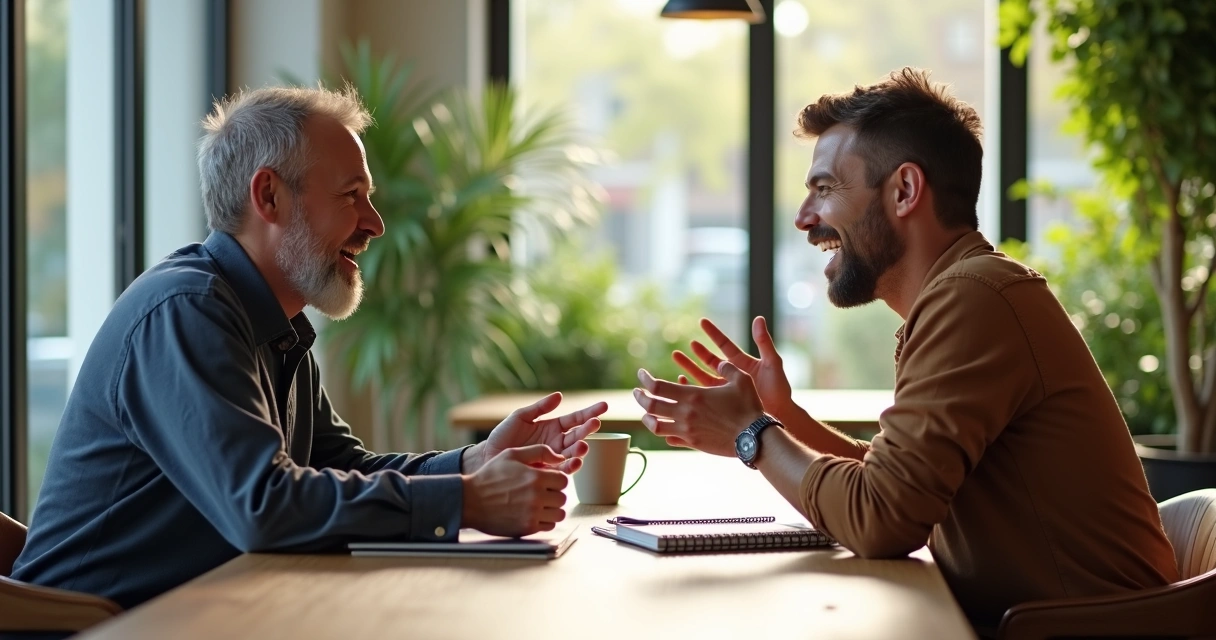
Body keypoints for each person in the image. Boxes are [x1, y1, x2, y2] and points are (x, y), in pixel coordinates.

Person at [12, 85, 607, 609]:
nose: (374, 223)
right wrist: (467, 501)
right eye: (352, 195)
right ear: (268, 197)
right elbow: (264, 507)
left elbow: (339, 468)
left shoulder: (271, 320)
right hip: (87, 630)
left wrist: (469, 465)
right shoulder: (187, 311)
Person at [631, 68, 1178, 628]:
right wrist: (781, 416)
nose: (803, 218)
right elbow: (895, 485)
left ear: (905, 191)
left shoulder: (974, 299)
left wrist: (752, 435)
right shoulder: (965, 292)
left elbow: (882, 519)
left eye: (824, 188)